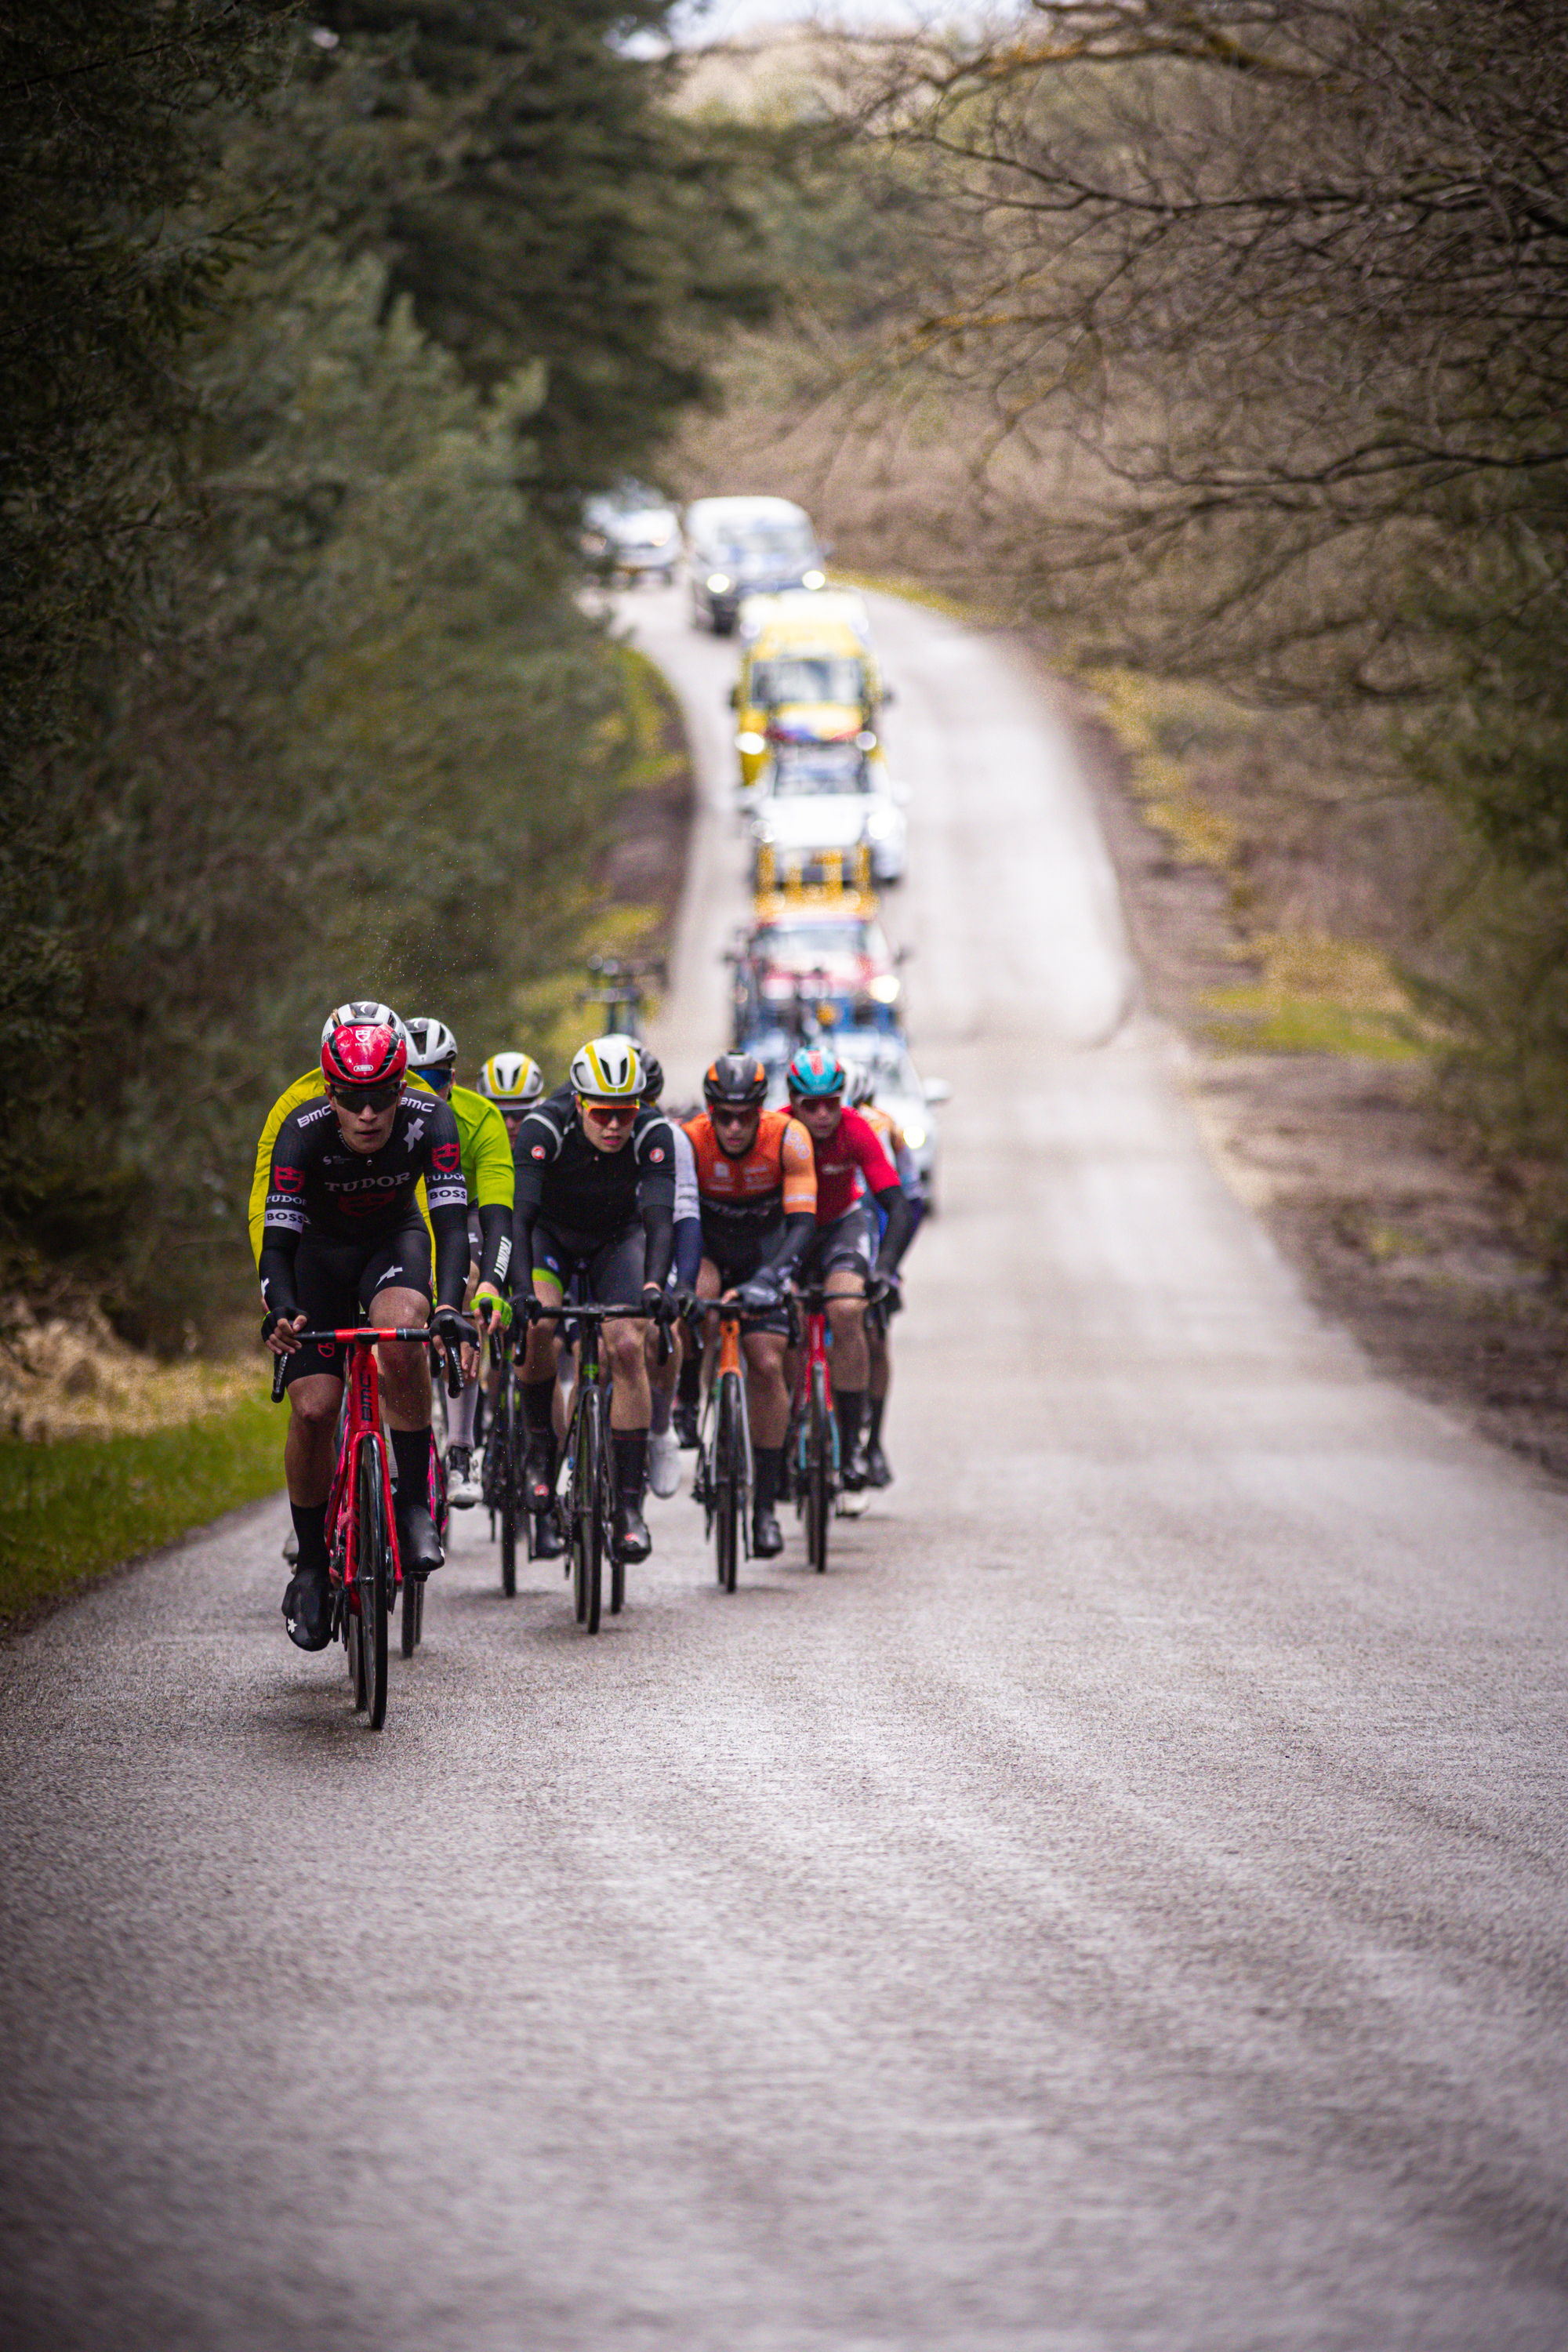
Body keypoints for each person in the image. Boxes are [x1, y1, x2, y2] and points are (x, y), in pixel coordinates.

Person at [260, 1018, 473, 1651]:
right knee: (316, 1407)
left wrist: (451, 1307)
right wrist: (282, 1311)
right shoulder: (300, 1135)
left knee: (401, 1333)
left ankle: (411, 1506)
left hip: (392, 1244)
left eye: (382, 1093)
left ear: (401, 1084)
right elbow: (277, 1247)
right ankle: (310, 1565)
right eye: (352, 1098)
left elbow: (453, 1227)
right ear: (330, 1093)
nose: (369, 1111)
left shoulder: (430, 1119)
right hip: (316, 1260)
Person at [510, 1035, 676, 1565]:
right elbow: (520, 1219)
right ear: (579, 1102)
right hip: (551, 1238)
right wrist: (519, 1292)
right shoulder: (543, 1127)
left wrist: (653, 1286)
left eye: (623, 1114)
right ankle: (540, 1446)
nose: (613, 1126)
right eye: (602, 1113)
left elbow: (658, 1219)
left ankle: (629, 1509)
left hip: (616, 1239)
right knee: (538, 1328)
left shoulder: (652, 1131)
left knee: (628, 1345)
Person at [682, 1051, 817, 1557]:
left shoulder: (789, 1137)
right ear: (710, 1110)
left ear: (760, 1109)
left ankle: (764, 1508)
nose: (735, 1128)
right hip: (710, 1250)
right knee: (693, 1298)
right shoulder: (690, 1139)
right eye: (724, 1116)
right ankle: (687, 1399)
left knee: (765, 1363)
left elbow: (802, 1223)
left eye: (745, 1116)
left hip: (766, 1251)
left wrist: (770, 1278)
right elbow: (678, 1219)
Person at [785, 1042, 913, 1497]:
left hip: (842, 1226)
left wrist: (885, 1269)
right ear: (793, 1101)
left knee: (846, 1311)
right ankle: (781, 1433)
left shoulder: (857, 1130)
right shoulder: (776, 1130)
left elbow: (898, 1206)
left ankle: (855, 1442)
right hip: (789, 1232)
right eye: (811, 1105)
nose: (822, 1115)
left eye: (831, 1104)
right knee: (780, 1325)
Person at [402, 1018, 514, 1506]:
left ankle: (461, 1445)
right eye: (415, 1079)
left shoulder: (480, 1118)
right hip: (403, 1209)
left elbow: (497, 1215)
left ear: (454, 1075)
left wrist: (491, 1281)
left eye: (440, 1078)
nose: (430, 1090)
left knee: (465, 1286)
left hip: (460, 1210)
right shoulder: (375, 1114)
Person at [846, 1061, 925, 1487]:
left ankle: (873, 1442)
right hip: (826, 1234)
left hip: (872, 1234)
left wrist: (890, 1267)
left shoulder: (885, 1129)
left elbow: (909, 1204)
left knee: (875, 1338)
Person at [637, 1051, 702, 1501]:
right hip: (599, 1241)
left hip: (652, 1239)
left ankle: (661, 1427)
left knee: (666, 1326)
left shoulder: (670, 1138)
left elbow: (684, 1215)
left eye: (643, 1102)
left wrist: (683, 1284)